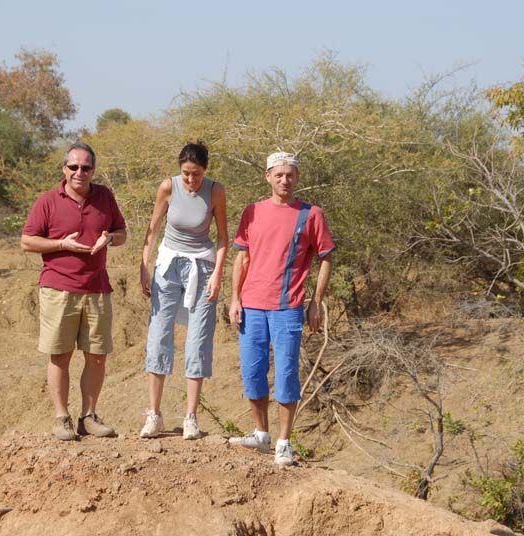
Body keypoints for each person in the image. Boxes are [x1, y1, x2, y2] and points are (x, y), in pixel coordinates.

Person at [228, 151, 334, 466]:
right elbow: (242, 257)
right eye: (278, 174)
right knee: (252, 371)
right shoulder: (252, 212)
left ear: (297, 177)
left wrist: (316, 302)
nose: (284, 180)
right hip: (252, 305)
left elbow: (326, 256)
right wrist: (234, 297)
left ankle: (284, 442)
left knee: (287, 373)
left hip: (288, 306)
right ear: (267, 177)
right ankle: (261, 434)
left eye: (290, 174)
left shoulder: (311, 214)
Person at [21, 142, 127, 441]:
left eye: (86, 167)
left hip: (97, 287)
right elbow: (28, 241)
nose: (79, 172)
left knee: (97, 356)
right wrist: (61, 244)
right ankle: (61, 417)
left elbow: (122, 233)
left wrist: (110, 239)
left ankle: (89, 417)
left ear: (94, 169)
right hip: (58, 288)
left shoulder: (104, 197)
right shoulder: (48, 201)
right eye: (73, 167)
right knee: (60, 355)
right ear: (64, 169)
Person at [139, 142, 228, 440]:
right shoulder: (168, 187)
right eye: (186, 174)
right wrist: (144, 265)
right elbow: (152, 230)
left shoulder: (216, 191)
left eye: (197, 174)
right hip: (168, 266)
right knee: (159, 333)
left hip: (202, 268)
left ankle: (190, 416)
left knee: (198, 337)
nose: (191, 181)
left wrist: (218, 273)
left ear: (206, 169)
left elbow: (223, 238)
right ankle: (154, 414)